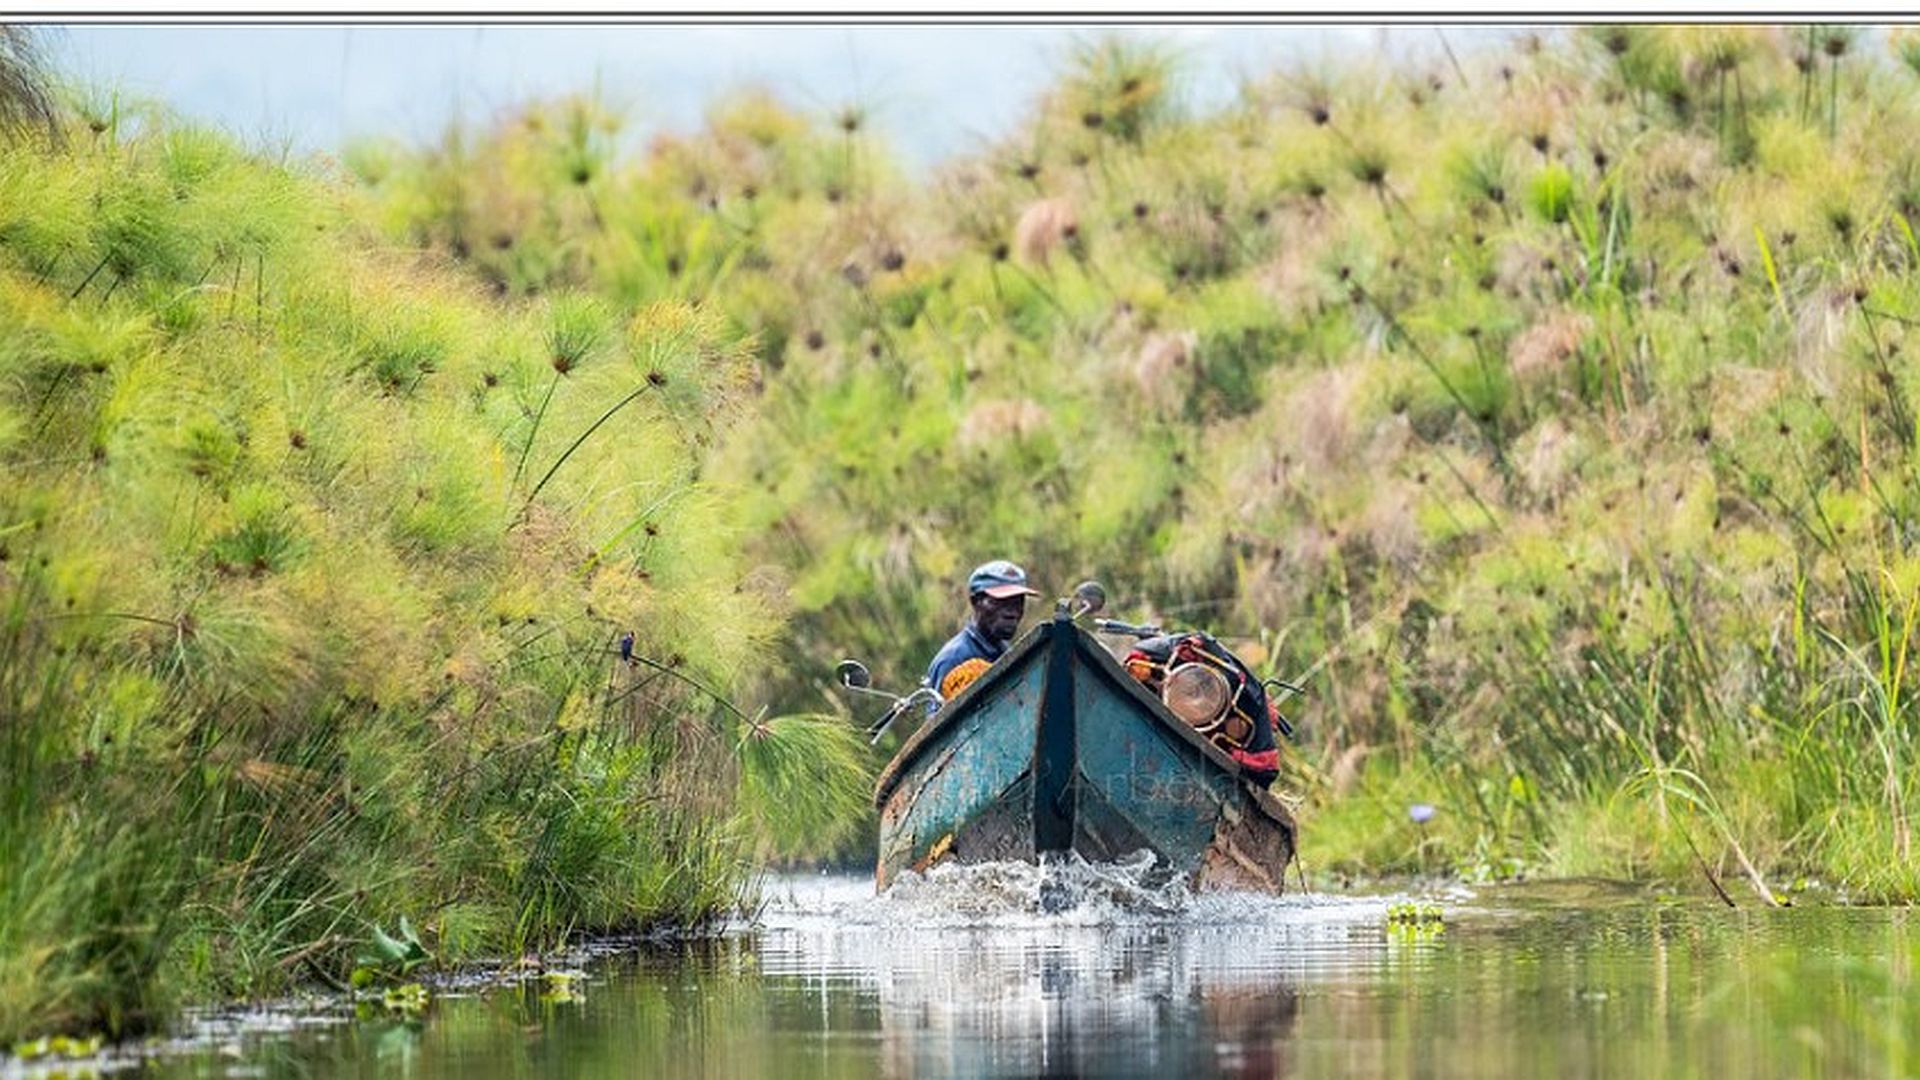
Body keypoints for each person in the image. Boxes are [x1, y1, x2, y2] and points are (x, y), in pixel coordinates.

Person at [924, 559, 1041, 708]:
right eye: (1001, 602)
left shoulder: (1007, 652)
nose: (1012, 612)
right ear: (976, 602)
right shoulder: (954, 659)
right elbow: (940, 727)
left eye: (1018, 602)